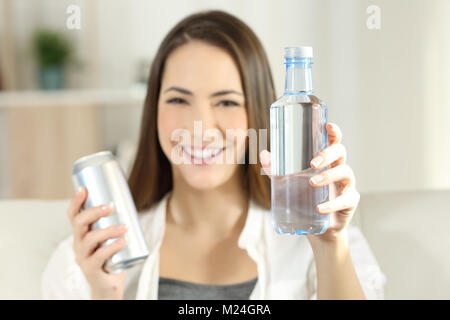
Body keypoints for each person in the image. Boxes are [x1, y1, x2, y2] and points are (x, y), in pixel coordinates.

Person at [42, 10, 386, 300]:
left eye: (226, 102)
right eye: (179, 99)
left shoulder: (325, 241)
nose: (201, 127)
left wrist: (328, 247)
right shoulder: (89, 260)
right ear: (153, 112)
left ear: (258, 113)